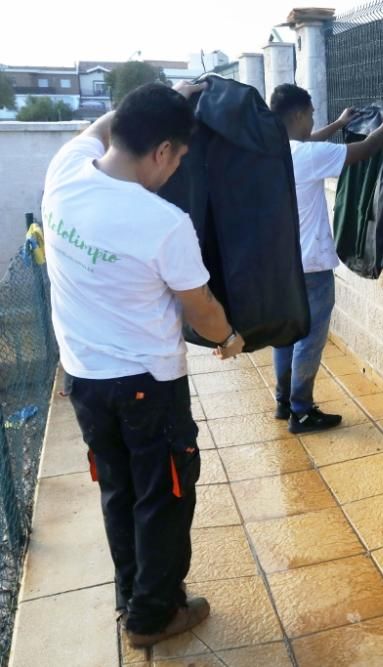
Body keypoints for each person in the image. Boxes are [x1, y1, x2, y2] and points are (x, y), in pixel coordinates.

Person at [42, 81, 245, 648]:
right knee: (165, 496)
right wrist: (229, 338)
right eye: (179, 155)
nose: (178, 167)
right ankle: (152, 616)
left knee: (120, 490)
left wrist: (166, 97)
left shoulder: (65, 169)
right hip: (147, 388)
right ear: (162, 151)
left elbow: (103, 127)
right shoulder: (162, 221)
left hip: (84, 381)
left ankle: (131, 592)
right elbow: (200, 308)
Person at [268, 84, 383, 433]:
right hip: (310, 265)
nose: (313, 119)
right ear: (298, 115)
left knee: (285, 333)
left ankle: (284, 402)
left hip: (279, 264)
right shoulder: (307, 157)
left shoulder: (272, 151)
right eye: (311, 114)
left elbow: (309, 142)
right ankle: (302, 410)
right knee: (309, 338)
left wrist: (338, 122)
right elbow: (367, 148)